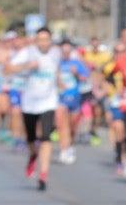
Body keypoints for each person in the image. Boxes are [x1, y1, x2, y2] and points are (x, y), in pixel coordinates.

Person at [8, 27, 61, 191]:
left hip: (48, 102)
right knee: (31, 138)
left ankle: (43, 174)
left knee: (46, 138)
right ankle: (32, 155)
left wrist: (60, 83)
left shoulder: (56, 53)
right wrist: (26, 66)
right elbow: (7, 69)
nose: (43, 43)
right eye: (40, 39)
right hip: (30, 103)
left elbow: (56, 71)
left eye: (46, 39)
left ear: (50, 40)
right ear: (36, 40)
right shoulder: (27, 52)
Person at [54, 39, 91, 165]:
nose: (65, 53)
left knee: (72, 126)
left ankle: (70, 146)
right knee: (60, 123)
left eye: (67, 50)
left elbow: (86, 78)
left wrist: (77, 74)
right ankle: (63, 149)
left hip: (75, 98)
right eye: (63, 50)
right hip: (60, 97)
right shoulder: (56, 63)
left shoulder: (77, 63)